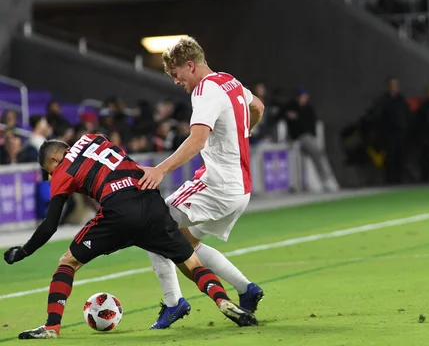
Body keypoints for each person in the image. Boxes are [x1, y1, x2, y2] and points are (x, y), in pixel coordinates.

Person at [3, 134, 257, 340]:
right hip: (150, 200)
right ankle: (223, 301)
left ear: (55, 160)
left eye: (48, 170)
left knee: (68, 261)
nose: (50, 176)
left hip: (118, 212)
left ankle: (51, 327)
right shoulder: (95, 138)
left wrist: (23, 251)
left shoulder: (62, 170)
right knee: (191, 262)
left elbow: (50, 225)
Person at [136, 36, 266, 329]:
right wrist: (241, 133)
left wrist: (161, 169)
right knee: (185, 244)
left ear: (190, 66)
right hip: (240, 190)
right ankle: (246, 289)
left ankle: (174, 303)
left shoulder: (205, 91)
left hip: (217, 187)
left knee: (151, 226)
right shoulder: (228, 81)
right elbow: (257, 106)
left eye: (175, 74)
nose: (175, 81)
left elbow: (196, 141)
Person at [283, 88, 338, 192]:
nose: (304, 98)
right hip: (298, 137)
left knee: (318, 154)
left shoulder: (308, 108)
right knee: (316, 153)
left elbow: (312, 123)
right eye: (302, 97)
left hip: (309, 136)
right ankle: (325, 181)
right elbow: (288, 120)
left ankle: (327, 180)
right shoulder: (291, 107)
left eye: (305, 96)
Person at [378, 77, 411, 184]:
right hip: (389, 135)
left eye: (395, 85)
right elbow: (379, 118)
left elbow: (408, 116)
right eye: (392, 85)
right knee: (390, 160)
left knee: (401, 159)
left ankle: (399, 181)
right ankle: (390, 182)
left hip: (401, 134)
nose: (394, 87)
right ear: (388, 86)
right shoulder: (383, 101)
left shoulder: (402, 100)